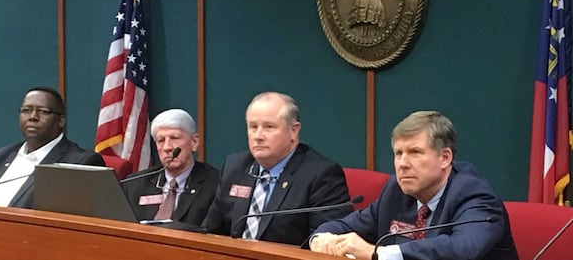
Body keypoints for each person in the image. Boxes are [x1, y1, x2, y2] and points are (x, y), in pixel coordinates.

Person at [310, 111, 519, 260]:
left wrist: (376, 254)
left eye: (415, 152)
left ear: (445, 157)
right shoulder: (396, 190)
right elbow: (347, 225)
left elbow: (462, 249)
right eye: (398, 153)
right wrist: (322, 237)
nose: (402, 164)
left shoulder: (475, 195)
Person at [202, 91, 352, 246]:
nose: (258, 136)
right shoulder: (234, 166)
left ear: (293, 131)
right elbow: (210, 232)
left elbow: (326, 246)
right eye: (253, 127)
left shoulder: (321, 175)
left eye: (269, 127)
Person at [0, 87, 105, 208]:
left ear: (61, 121)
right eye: (26, 110)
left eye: (42, 111)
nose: (33, 117)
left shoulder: (80, 163)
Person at [122, 109, 219, 226]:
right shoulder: (135, 184)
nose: (167, 147)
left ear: (194, 142)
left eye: (175, 138)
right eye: (161, 140)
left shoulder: (216, 185)